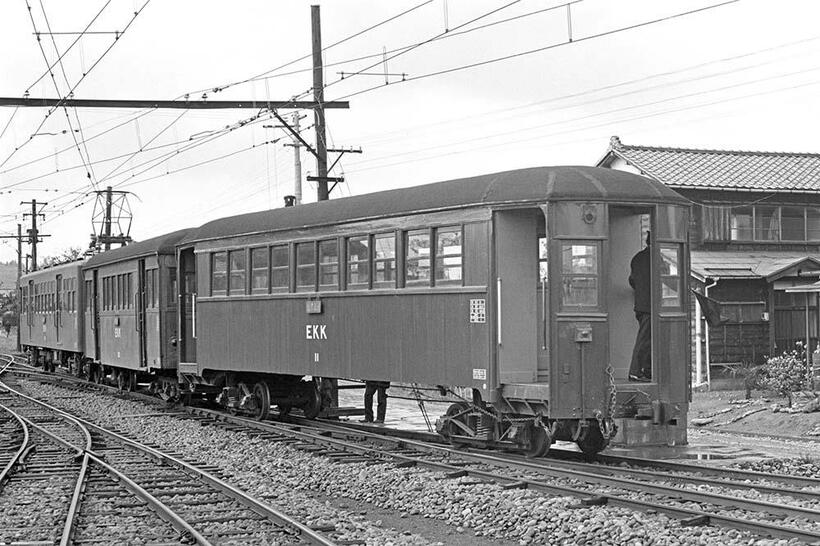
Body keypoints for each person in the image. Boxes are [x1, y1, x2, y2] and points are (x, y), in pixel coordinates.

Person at [629, 232, 652, 382]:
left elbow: (632, 280)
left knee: (647, 340)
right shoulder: (657, 259)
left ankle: (645, 371)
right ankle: (636, 371)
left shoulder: (637, 257)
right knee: (645, 340)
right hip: (650, 305)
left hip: (641, 305)